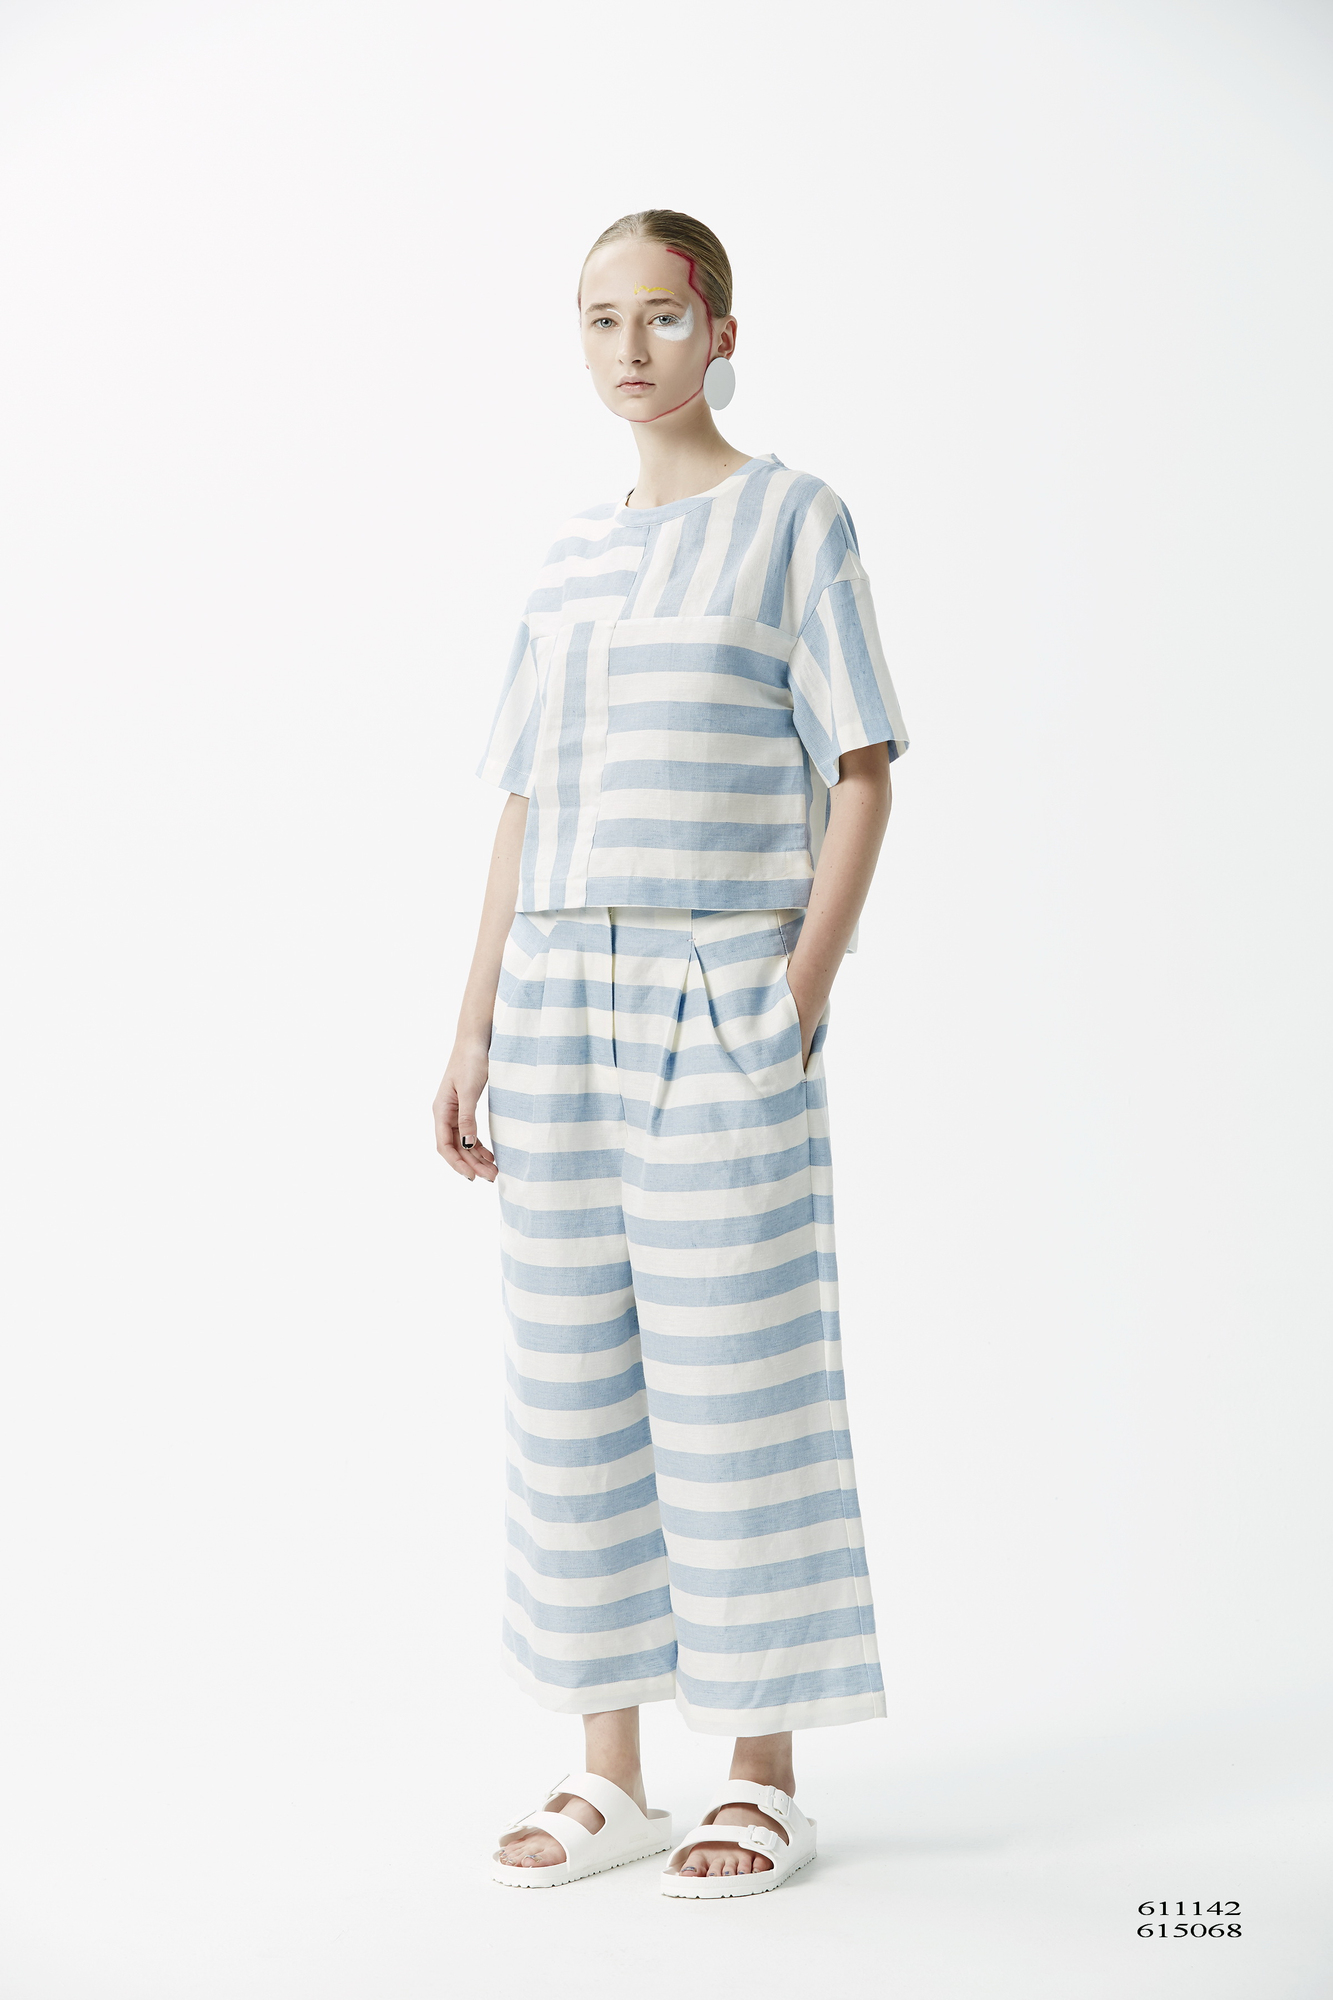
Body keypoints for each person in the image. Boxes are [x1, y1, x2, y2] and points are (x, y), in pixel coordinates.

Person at [433, 209, 909, 1898]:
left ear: (720, 330)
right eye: (596, 319)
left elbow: (861, 768)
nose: (626, 348)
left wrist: (795, 993)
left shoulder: (795, 521)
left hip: (720, 987)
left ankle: (759, 1773)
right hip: (558, 995)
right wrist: (473, 1021)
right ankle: (608, 1771)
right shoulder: (567, 557)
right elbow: (525, 799)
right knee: (573, 1385)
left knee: (737, 1382)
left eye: (657, 314)